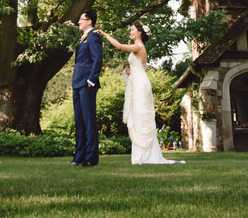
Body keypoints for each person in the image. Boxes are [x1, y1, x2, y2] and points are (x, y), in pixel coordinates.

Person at [97, 23, 185, 165]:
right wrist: (130, 72)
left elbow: (119, 46)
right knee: (137, 117)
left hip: (140, 86)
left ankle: (146, 155)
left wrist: (105, 35)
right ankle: (141, 155)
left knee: (142, 118)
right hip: (137, 83)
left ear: (139, 32)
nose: (130, 32)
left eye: (132, 29)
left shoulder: (139, 46)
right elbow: (142, 68)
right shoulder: (138, 49)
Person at [71, 10, 102, 167]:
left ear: (89, 21)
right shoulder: (82, 39)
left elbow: (97, 60)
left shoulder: (93, 37)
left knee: (89, 121)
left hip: (87, 84)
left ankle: (91, 157)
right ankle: (79, 156)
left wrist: (91, 79)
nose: (78, 22)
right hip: (77, 84)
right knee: (79, 121)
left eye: (81, 19)